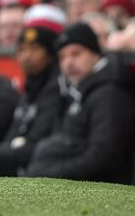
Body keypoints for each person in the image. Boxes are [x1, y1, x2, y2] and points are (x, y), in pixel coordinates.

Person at [26, 23, 135, 183]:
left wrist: (48, 173)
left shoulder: (109, 93)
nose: (68, 63)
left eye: (76, 54)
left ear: (95, 54)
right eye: (62, 57)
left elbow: (104, 157)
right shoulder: (75, 89)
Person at [0, 9, 64, 176]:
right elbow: (13, 136)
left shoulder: (55, 89)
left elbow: (35, 145)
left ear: (50, 54)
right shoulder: (29, 88)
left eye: (35, 49)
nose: (27, 56)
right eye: (22, 50)